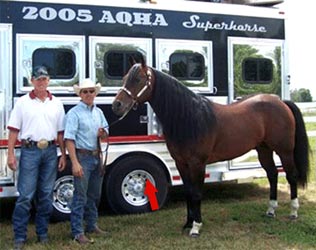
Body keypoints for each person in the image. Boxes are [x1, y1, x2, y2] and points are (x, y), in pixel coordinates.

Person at [7, 66, 66, 250]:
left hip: (50, 150)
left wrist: (63, 154)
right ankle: (20, 236)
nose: (41, 82)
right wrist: (10, 154)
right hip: (30, 150)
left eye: (45, 79)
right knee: (25, 195)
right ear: (32, 81)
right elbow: (14, 130)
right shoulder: (23, 102)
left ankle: (42, 233)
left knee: (46, 195)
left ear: (49, 81)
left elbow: (61, 132)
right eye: (38, 79)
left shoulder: (56, 102)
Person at [64, 78, 109, 244]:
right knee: (80, 196)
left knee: (94, 195)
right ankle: (77, 232)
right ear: (80, 95)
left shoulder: (99, 112)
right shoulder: (74, 113)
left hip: (96, 156)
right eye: (85, 91)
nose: (89, 94)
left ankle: (91, 224)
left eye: (91, 91)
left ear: (95, 93)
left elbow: (106, 133)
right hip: (82, 157)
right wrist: (75, 162)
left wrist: (103, 133)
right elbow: (69, 139)